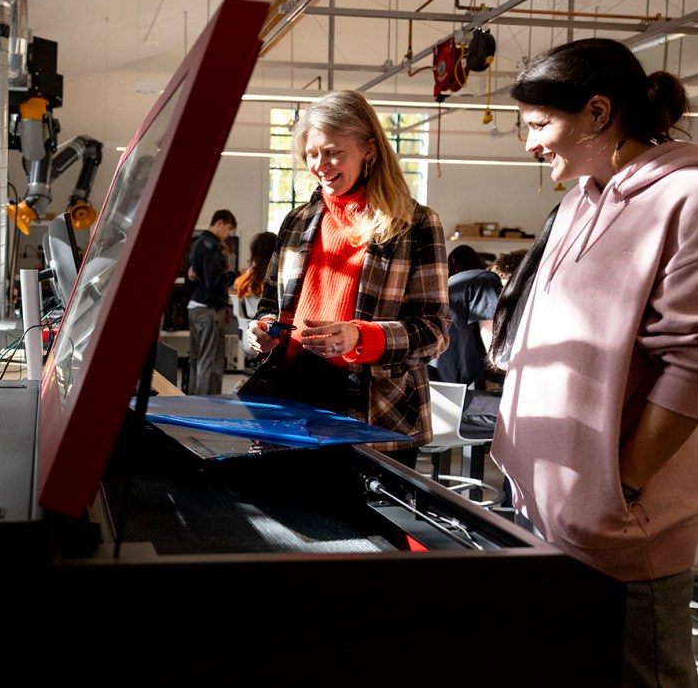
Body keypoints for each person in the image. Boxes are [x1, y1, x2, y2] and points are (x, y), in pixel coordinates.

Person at [491, 38, 698, 687]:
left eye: (540, 124)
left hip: (623, 534)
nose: (530, 145)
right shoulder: (581, 197)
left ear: (599, 112)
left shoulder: (686, 197)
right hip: (545, 513)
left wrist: (620, 491)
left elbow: (691, 366)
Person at [245, 90, 451, 469]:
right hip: (293, 397)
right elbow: (270, 308)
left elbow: (435, 332)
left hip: (373, 409)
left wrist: (361, 337)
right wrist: (259, 329)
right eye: (311, 154)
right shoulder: (297, 222)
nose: (320, 165)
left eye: (333, 152)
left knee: (361, 525)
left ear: (368, 150)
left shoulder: (415, 224)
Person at [430, 249, 526, 438]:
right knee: (537, 414)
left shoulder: (464, 282)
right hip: (446, 405)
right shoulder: (487, 282)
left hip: (433, 400)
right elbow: (499, 356)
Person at [185, 209, 237, 395]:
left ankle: (192, 405)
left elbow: (191, 276)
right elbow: (214, 282)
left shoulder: (196, 243)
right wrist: (234, 275)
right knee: (211, 361)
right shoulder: (210, 246)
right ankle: (206, 408)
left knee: (198, 360)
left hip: (196, 307)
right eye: (229, 229)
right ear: (220, 223)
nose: (228, 234)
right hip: (209, 310)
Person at [231, 231, 277, 359]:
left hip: (250, 335)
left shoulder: (246, 279)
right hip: (273, 335)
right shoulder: (277, 279)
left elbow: (237, 286)